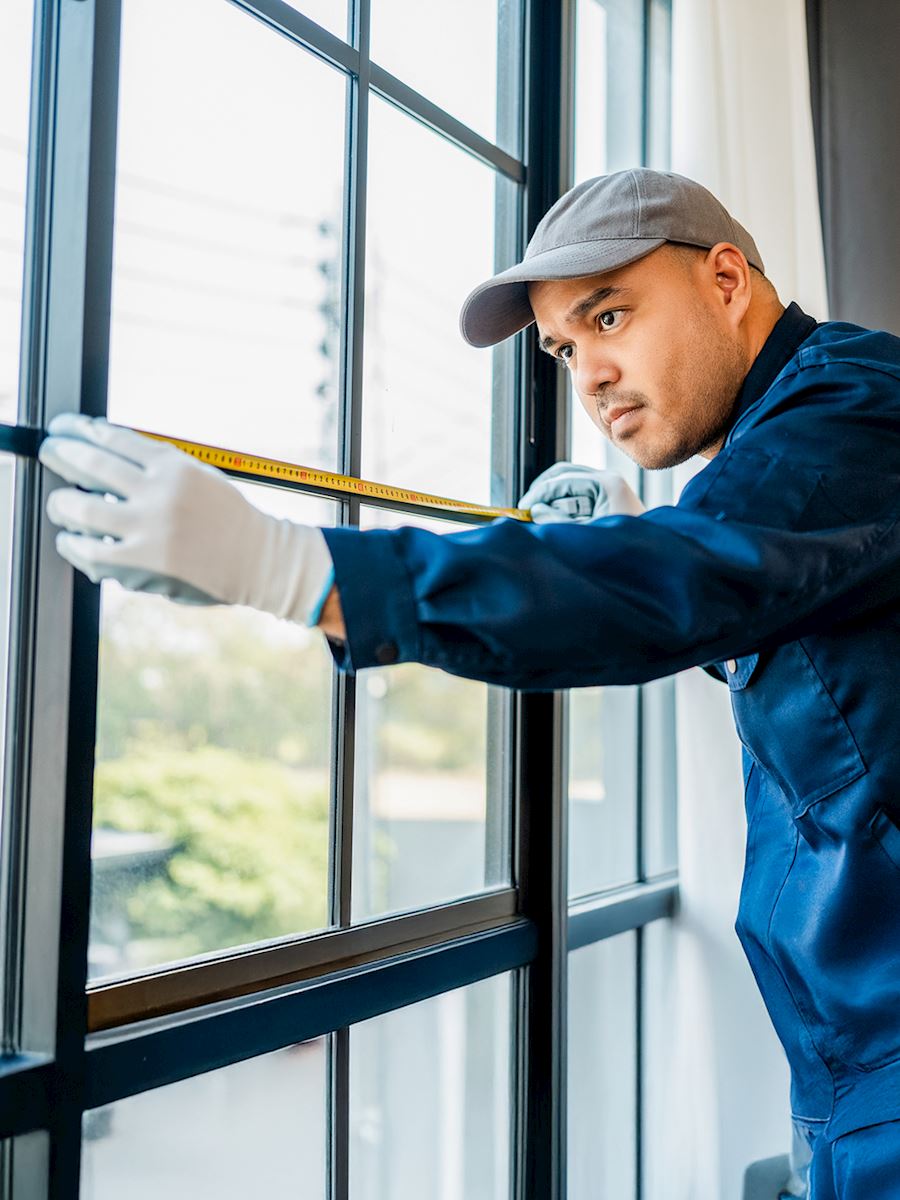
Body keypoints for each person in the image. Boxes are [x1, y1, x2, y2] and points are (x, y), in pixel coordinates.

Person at [39, 169, 900, 1198]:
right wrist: (638, 537)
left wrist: (298, 569)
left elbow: (684, 586)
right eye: (565, 349)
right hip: (851, 1062)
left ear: (725, 280)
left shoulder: (852, 411)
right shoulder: (787, 450)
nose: (591, 377)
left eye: (610, 316)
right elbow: (800, 638)